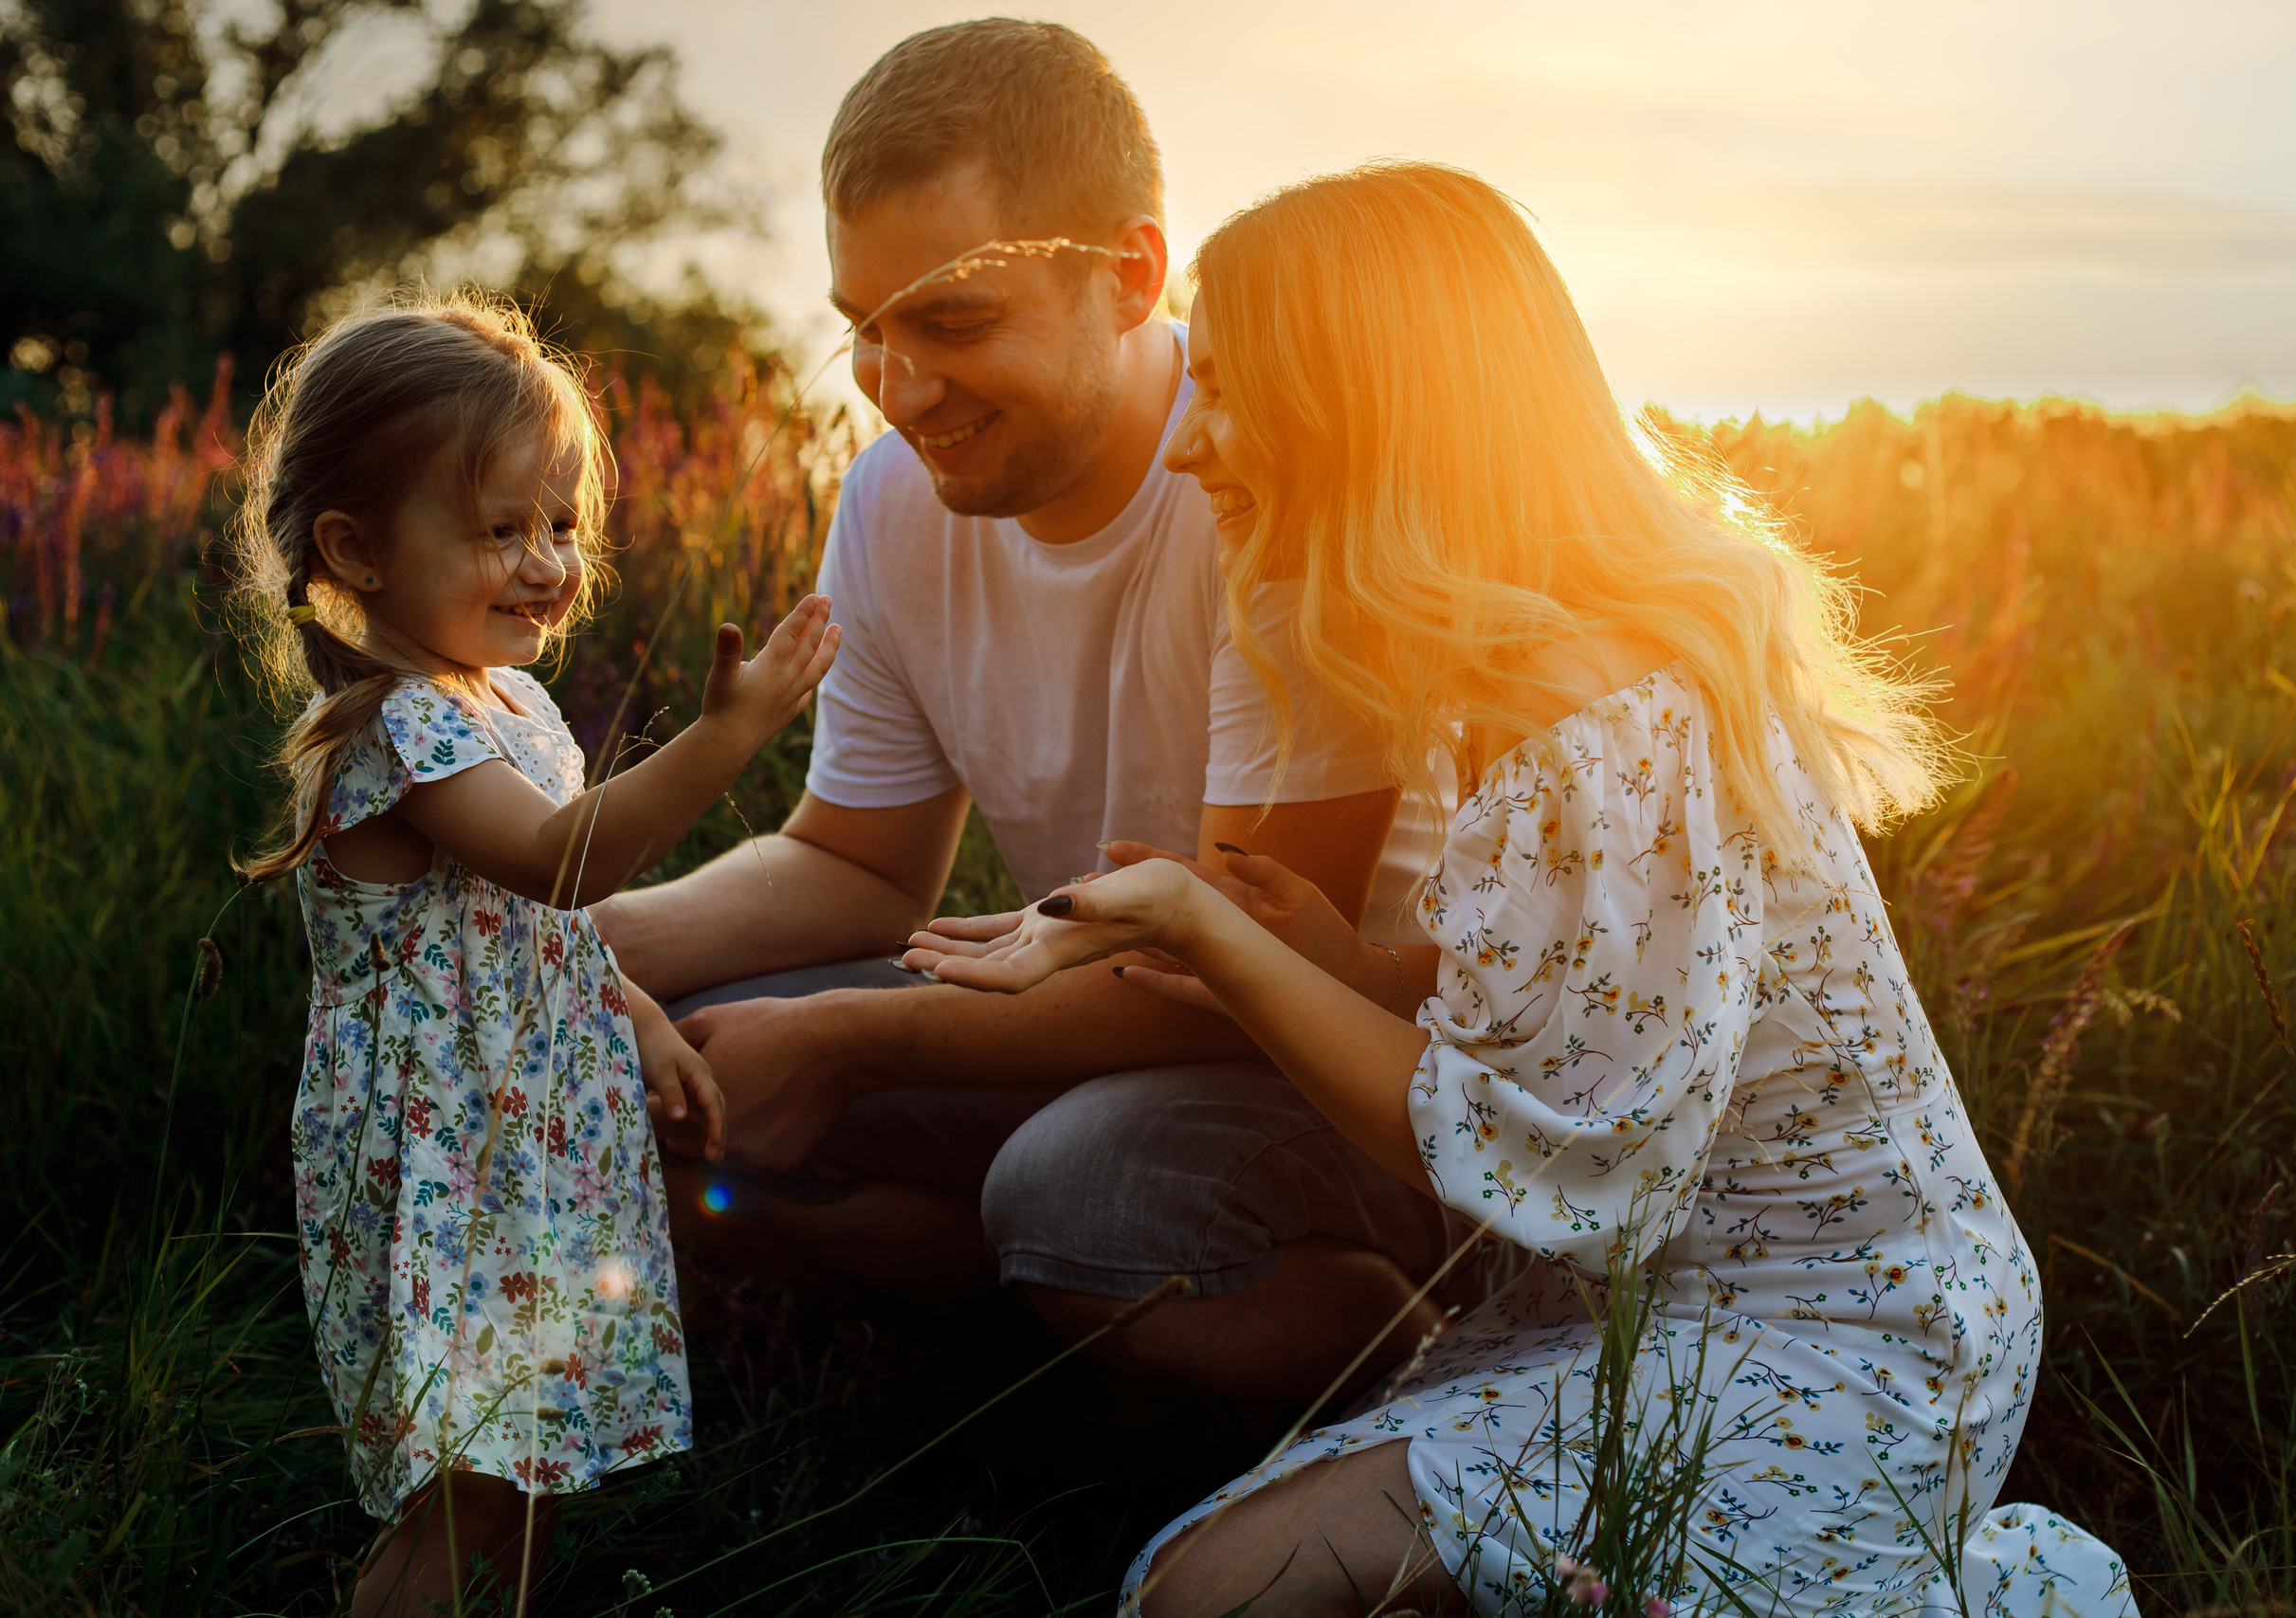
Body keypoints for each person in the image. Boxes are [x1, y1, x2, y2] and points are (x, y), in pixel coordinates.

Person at [904, 164, 2140, 1618]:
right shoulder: (1517, 678)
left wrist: (1210, 931)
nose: (1192, 448)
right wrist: (1360, 977)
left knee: (1210, 1600)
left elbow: (1573, 1172)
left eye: (1229, 394)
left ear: (1357, 411)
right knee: (1193, 1586)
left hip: (1845, 1338)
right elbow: (1592, 1023)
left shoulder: (1595, 713)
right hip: (1649, 1311)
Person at [596, 19, 1515, 1404]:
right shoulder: (894, 502)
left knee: (1079, 1190)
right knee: (648, 1073)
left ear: (1132, 275)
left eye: (954, 322)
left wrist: (848, 1040)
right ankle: (1059, 1336)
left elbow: (1242, 978)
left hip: (1365, 1079)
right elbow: (855, 863)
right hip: (1083, 1021)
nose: (899, 393)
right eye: (866, 330)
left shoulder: (1267, 479)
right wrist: (576, 950)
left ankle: (1434, 1394)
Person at [229, 294, 840, 1616]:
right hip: (447, 1167)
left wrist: (638, 1015)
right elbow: (570, 864)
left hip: (527, 1156)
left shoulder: (506, 704)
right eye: (499, 529)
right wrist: (727, 738)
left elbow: (530, 933)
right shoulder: (401, 736)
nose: (546, 562)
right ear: (359, 547)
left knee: (522, 1468)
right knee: (464, 1483)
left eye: (560, 525)